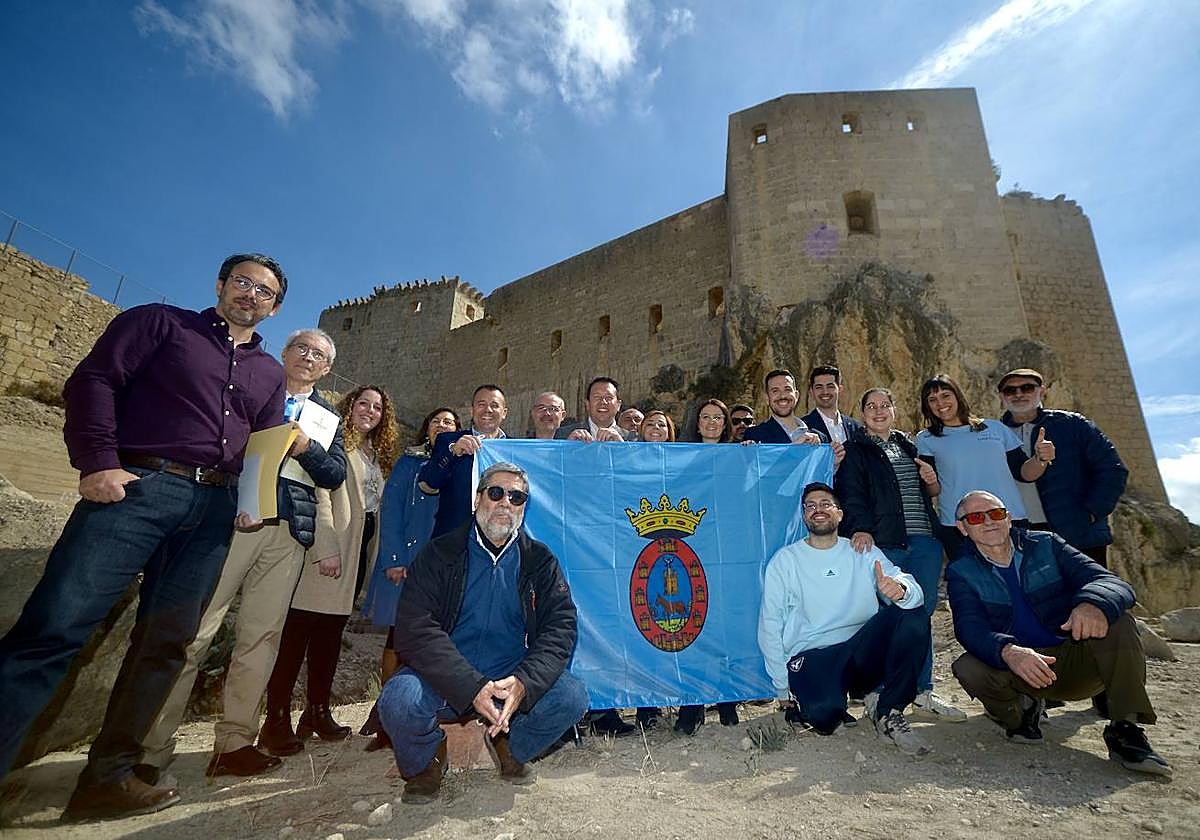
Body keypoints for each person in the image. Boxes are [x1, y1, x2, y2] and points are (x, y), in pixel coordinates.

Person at [0, 253, 288, 820]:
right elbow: (95, 380)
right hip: (139, 489)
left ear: (274, 307)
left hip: (213, 512)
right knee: (55, 628)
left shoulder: (270, 372)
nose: (250, 295)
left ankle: (107, 779)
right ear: (221, 285)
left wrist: (252, 506)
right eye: (242, 283)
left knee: (165, 644)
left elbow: (263, 445)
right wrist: (97, 462)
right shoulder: (161, 323)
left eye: (264, 291)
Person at [140, 328, 347, 783]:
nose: (308, 358)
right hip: (232, 518)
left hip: (288, 530)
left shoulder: (328, 417)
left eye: (319, 355)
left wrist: (308, 450)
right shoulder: (252, 385)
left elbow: (333, 474)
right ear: (286, 353)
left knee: (262, 637)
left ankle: (234, 742)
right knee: (196, 631)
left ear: (327, 368)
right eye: (302, 349)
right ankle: (151, 748)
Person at [378, 462, 590, 803]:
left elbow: (561, 625)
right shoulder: (440, 553)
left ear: (524, 506)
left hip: (508, 678)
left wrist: (524, 682)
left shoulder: (539, 560)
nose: (506, 502)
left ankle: (509, 741)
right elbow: (414, 628)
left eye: (517, 497)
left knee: (572, 697)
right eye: (496, 493)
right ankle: (427, 758)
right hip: (444, 676)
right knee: (399, 701)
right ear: (478, 500)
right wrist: (469, 686)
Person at [947, 491, 1170, 776]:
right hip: (1024, 668)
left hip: (1075, 657)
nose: (989, 521)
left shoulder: (1047, 544)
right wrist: (1009, 651)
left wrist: (1092, 603)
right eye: (976, 517)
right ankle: (1022, 715)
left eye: (996, 513)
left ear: (1009, 517)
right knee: (967, 667)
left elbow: (1108, 581)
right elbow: (969, 628)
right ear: (963, 528)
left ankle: (1125, 729)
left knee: (1119, 620)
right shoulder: (961, 571)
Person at [260, 386, 399, 753]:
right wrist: (325, 548)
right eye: (363, 403)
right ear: (349, 406)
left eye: (378, 407)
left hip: (356, 552)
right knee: (297, 636)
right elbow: (316, 491)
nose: (370, 411)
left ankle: (316, 712)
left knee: (329, 637)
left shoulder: (376, 454)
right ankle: (275, 720)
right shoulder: (332, 439)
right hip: (331, 546)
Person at [757, 483, 931, 756]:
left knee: (912, 614)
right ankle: (832, 701)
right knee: (824, 719)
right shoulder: (786, 560)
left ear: (839, 514)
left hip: (860, 648)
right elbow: (770, 623)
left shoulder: (863, 551)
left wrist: (901, 589)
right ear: (804, 517)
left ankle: (889, 710)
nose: (818, 510)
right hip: (814, 653)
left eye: (826, 504)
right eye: (811, 506)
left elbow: (906, 584)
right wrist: (782, 685)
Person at [834, 387, 965, 721]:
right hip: (884, 542)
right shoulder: (856, 449)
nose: (878, 411)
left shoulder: (909, 446)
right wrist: (860, 527)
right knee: (884, 615)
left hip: (924, 541)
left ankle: (922, 692)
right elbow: (851, 494)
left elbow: (928, 491)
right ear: (862, 413)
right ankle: (878, 693)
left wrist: (932, 481)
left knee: (920, 615)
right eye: (871, 406)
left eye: (885, 405)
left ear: (894, 410)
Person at [357, 406, 461, 751]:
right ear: (426, 429)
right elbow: (392, 510)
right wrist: (395, 558)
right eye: (436, 422)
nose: (442, 426)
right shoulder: (409, 463)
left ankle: (427, 713)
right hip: (409, 562)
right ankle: (389, 719)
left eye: (449, 423)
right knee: (397, 640)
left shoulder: (461, 463)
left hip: (443, 566)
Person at [996, 368, 1128, 566]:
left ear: (1042, 391)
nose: (1018, 394)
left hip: (1079, 533)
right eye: (1010, 390)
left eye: (1027, 388)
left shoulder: (1072, 424)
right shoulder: (993, 435)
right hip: (1023, 536)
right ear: (1001, 397)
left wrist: (1091, 512)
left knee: (1092, 592)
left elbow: (1112, 468)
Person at [915, 374, 1050, 560]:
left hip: (1008, 518)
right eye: (932, 399)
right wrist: (929, 480)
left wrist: (1041, 458)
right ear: (927, 406)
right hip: (961, 526)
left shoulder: (995, 428)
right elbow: (933, 490)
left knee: (1021, 581)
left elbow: (1024, 473)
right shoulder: (926, 439)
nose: (940, 403)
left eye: (945, 395)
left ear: (958, 396)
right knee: (974, 585)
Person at [675, 398, 740, 732]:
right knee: (694, 623)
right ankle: (692, 703)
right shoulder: (680, 458)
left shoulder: (740, 456)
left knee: (724, 625)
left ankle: (727, 699)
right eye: (705, 417)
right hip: (693, 550)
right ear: (696, 423)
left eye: (719, 417)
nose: (712, 422)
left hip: (727, 551)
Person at [420, 384, 508, 538]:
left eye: (495, 405)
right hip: (454, 540)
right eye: (481, 404)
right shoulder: (449, 441)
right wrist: (453, 453)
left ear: (504, 413)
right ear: (472, 410)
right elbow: (429, 482)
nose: (488, 410)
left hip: (499, 540)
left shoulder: (514, 449)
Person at [742, 369, 824, 446]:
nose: (782, 395)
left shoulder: (820, 437)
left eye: (787, 389)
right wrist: (795, 447)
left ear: (796, 396)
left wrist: (834, 459)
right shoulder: (754, 436)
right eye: (775, 391)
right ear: (767, 399)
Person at [800, 364, 861, 466]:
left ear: (840, 389)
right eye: (819, 387)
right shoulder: (802, 428)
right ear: (811, 392)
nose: (825, 392)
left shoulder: (856, 428)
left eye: (830, 386)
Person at [555, 377, 635, 441]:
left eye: (609, 397)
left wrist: (622, 447)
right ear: (587, 404)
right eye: (597, 397)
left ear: (618, 405)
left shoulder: (632, 438)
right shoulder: (564, 435)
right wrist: (567, 447)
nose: (603, 402)